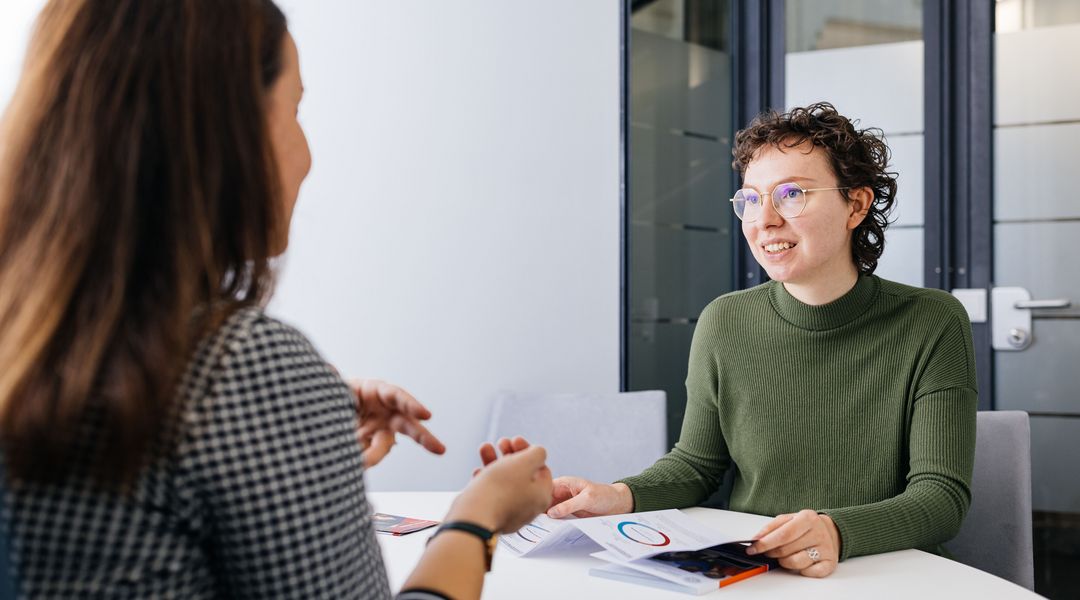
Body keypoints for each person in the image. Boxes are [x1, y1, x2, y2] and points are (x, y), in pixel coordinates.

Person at [0, 1, 551, 598]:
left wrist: (304, 434)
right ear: (222, 132)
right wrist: (477, 516)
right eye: (295, 110)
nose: (308, 154)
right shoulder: (239, 371)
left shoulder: (32, 350)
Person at [512, 102, 977, 578]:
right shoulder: (726, 321)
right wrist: (618, 495)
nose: (765, 220)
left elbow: (940, 498)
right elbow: (695, 466)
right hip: (755, 572)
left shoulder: (931, 321)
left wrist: (836, 531)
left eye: (791, 194)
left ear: (856, 205)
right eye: (751, 200)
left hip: (892, 573)